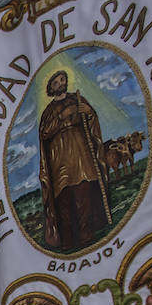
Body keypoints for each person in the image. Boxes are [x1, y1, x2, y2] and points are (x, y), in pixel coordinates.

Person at [38, 68, 110, 251]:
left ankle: (87, 237)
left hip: (81, 156)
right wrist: (62, 116)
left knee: (84, 196)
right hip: (60, 161)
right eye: (56, 82)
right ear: (50, 88)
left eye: (62, 80)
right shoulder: (48, 112)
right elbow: (45, 133)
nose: (60, 84)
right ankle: (68, 242)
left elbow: (91, 122)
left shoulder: (77, 100)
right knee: (64, 202)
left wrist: (90, 112)